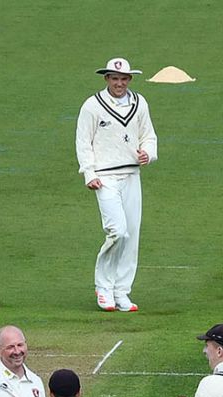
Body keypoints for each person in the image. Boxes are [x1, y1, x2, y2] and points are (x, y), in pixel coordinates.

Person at [76, 57, 158, 313]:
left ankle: (122, 291)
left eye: (123, 79)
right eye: (114, 78)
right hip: (105, 177)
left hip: (131, 174)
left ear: (129, 79)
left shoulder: (139, 103)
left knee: (131, 235)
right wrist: (89, 173)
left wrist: (148, 153)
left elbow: (148, 135)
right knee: (118, 231)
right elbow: (83, 141)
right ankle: (103, 287)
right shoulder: (92, 105)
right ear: (107, 79)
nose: (119, 83)